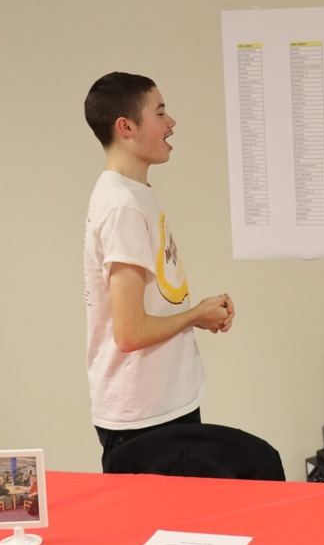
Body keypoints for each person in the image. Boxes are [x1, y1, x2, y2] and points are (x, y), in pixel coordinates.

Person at [83, 72, 236, 469]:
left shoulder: (136, 196)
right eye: (161, 112)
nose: (172, 123)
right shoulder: (123, 208)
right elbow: (130, 332)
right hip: (142, 414)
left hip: (165, 402)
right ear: (126, 127)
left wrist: (196, 318)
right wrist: (195, 314)